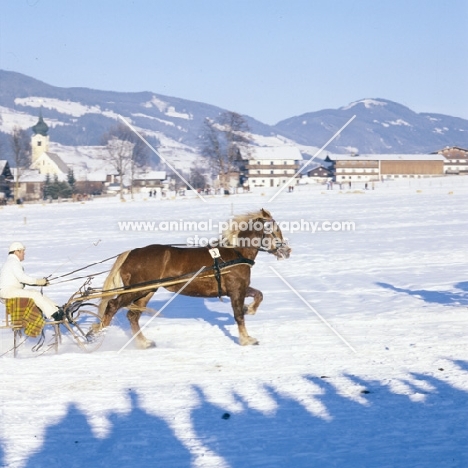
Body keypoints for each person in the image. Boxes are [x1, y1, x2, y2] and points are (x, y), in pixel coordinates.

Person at [0, 242, 63, 321]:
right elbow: (22, 278)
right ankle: (55, 314)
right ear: (17, 251)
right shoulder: (13, 262)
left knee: (34, 292)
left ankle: (56, 308)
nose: (24, 253)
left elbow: (22, 280)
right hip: (9, 292)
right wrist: (38, 281)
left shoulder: (11, 262)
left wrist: (39, 283)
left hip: (9, 291)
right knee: (34, 294)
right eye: (23, 251)